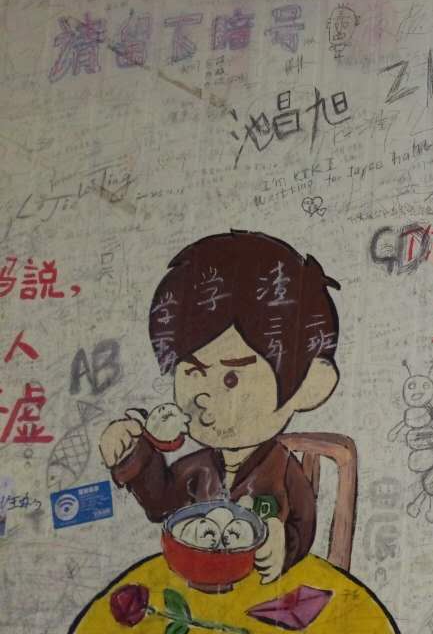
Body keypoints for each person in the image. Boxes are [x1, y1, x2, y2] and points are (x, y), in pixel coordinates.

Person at [98, 231, 341, 582]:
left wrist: (283, 546)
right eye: (193, 372)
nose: (202, 397)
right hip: (196, 587)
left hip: (264, 593)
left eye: (231, 378)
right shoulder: (199, 466)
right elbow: (159, 502)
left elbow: (303, 523)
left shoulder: (282, 470)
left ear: (310, 385)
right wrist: (131, 452)